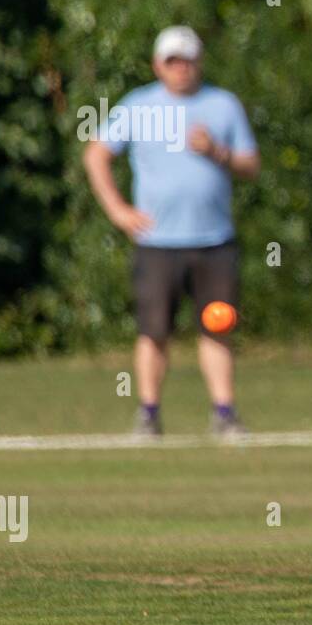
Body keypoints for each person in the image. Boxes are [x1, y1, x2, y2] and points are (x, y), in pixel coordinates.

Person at [84, 25, 260, 438]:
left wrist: (216, 151)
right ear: (158, 65)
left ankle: (224, 412)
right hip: (157, 243)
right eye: (172, 61)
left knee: (217, 329)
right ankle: (148, 413)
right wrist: (118, 211)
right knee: (153, 332)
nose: (181, 68)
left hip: (214, 239)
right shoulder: (138, 105)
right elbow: (96, 155)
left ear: (200, 61)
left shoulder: (223, 105)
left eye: (188, 60)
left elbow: (251, 166)